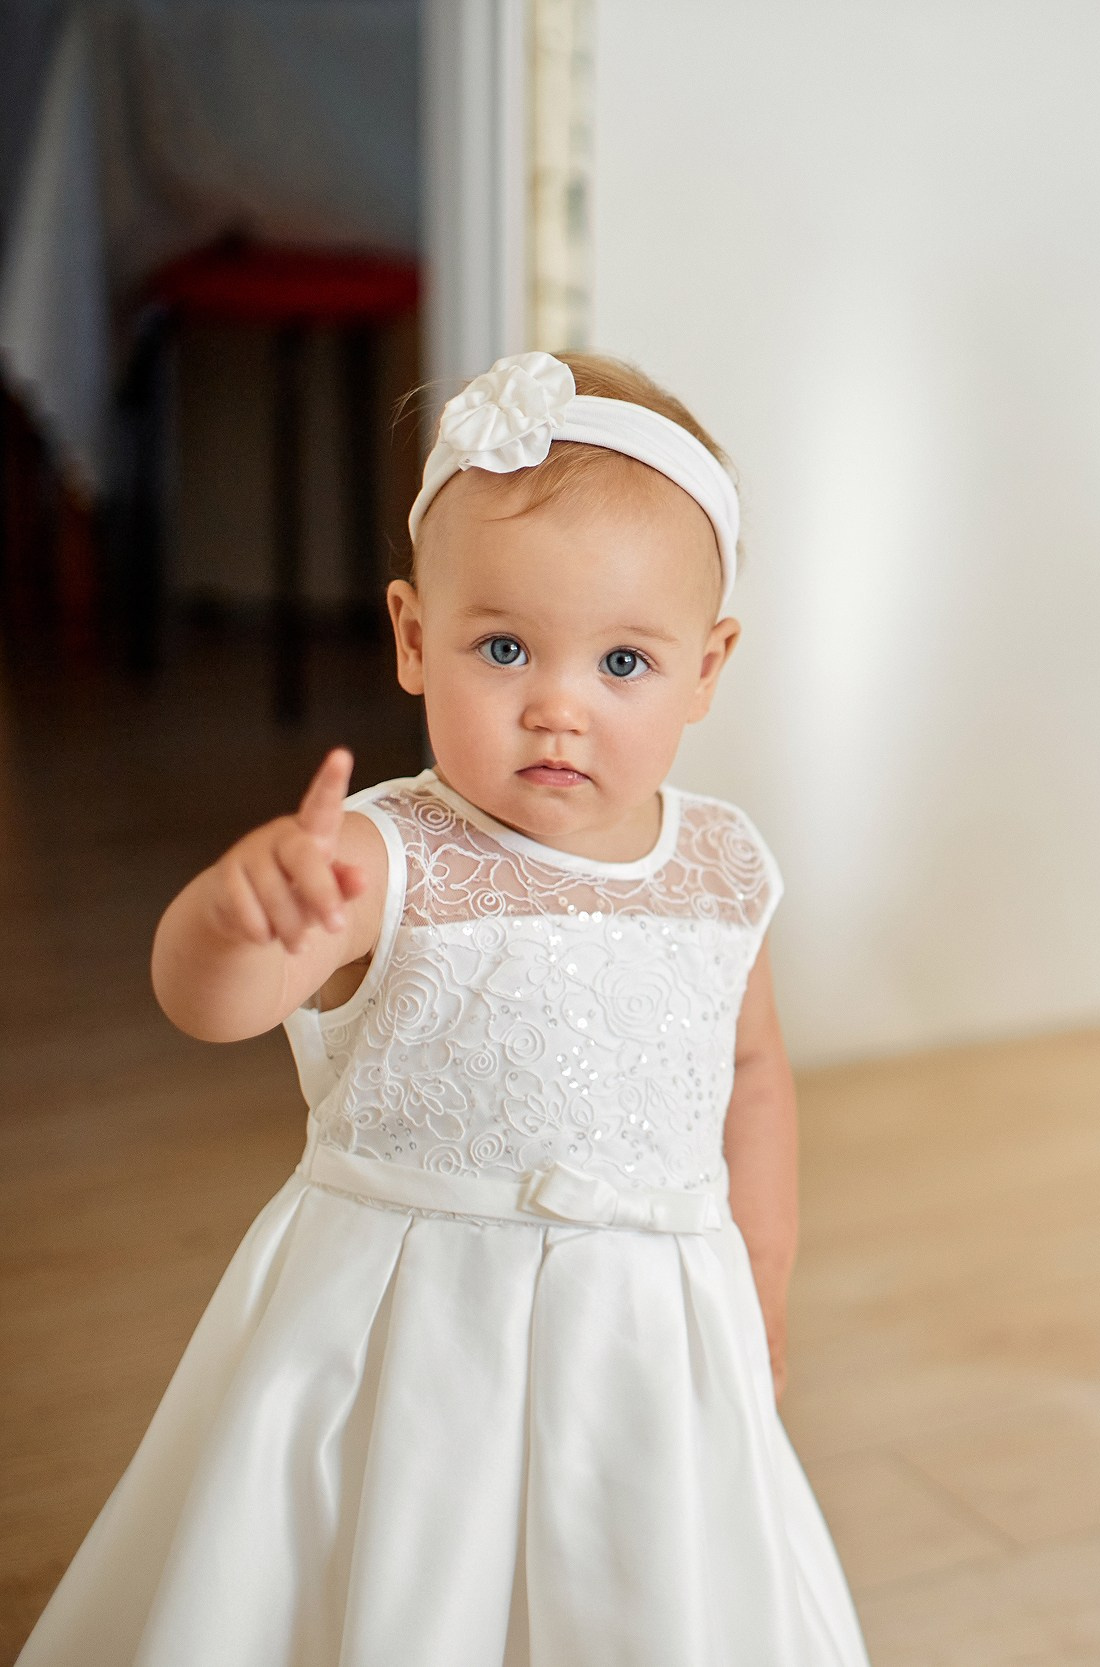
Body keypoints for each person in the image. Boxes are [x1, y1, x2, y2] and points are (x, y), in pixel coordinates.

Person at [20, 352, 869, 1665]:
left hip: (653, 1347)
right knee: (410, 1594)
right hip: (415, 1348)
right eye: (505, 647)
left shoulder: (720, 869)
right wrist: (237, 918)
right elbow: (212, 1007)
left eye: (625, 661)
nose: (558, 706)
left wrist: (760, 1283)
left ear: (708, 668)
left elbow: (752, 1073)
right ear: (416, 639)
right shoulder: (388, 856)